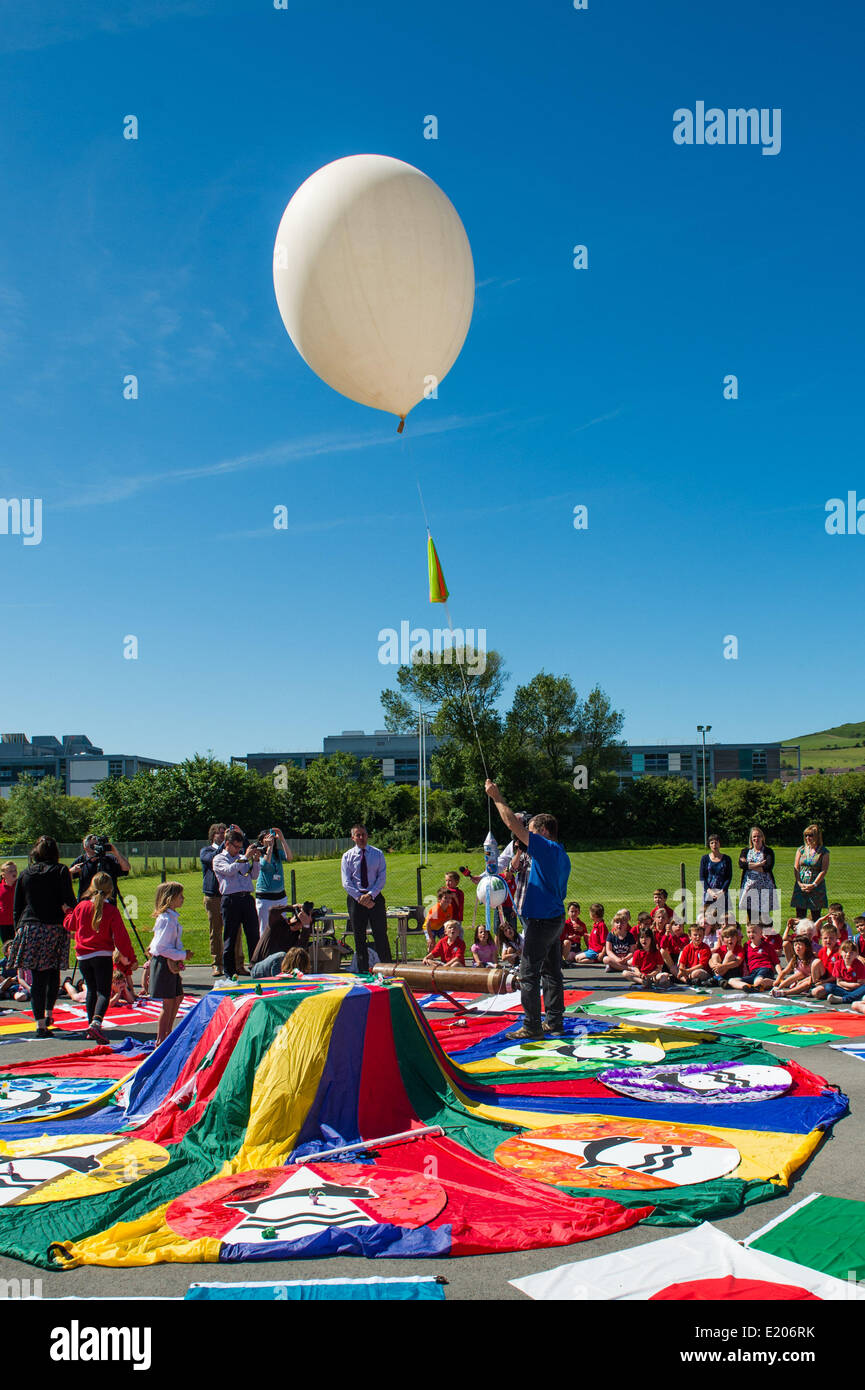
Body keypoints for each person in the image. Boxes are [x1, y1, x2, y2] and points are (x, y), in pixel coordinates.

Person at [485, 780, 571, 1041]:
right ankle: (554, 1022)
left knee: (528, 973)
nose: (526, 834)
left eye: (531, 831)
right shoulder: (560, 853)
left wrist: (496, 796)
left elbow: (513, 824)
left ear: (543, 831)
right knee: (552, 972)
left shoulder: (545, 848)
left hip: (541, 921)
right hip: (555, 918)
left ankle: (531, 1025)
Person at [9, 836, 75, 1038]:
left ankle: (40, 1023)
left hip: (30, 927)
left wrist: (16, 933)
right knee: (52, 972)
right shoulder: (61, 871)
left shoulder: (25, 873)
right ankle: (48, 1013)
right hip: (54, 927)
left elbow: (17, 907)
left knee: (37, 977)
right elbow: (69, 900)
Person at [63, 872, 137, 1041]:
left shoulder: (82, 906)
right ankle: (96, 1023)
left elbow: (70, 924)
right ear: (110, 890)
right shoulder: (110, 910)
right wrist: (130, 957)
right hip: (101, 954)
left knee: (91, 991)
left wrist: (68, 911)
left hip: (83, 956)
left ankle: (91, 1024)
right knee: (103, 991)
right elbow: (121, 937)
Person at [340, 824, 392, 975]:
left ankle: (388, 969)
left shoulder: (378, 854)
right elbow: (346, 881)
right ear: (353, 838)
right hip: (355, 900)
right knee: (359, 937)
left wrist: (370, 895)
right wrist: (360, 898)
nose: (361, 838)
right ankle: (363, 972)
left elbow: (381, 878)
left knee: (380, 934)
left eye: (363, 834)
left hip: (375, 898)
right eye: (358, 835)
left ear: (367, 835)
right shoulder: (347, 856)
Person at [213, 830, 261, 979]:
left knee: (253, 935)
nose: (238, 850)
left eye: (240, 847)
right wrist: (245, 857)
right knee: (230, 937)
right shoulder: (219, 859)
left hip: (246, 898)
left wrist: (256, 861)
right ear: (227, 844)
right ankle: (229, 971)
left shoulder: (242, 858)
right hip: (231, 900)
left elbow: (254, 875)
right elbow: (229, 871)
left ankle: (256, 967)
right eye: (235, 847)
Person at [149, 881, 193, 1045]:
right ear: (170, 898)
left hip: (170, 961)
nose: (183, 898)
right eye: (180, 896)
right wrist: (181, 954)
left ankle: (167, 1033)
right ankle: (161, 1039)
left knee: (178, 997)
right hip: (163, 962)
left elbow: (171, 942)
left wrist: (180, 956)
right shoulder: (166, 919)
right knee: (168, 1002)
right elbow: (161, 946)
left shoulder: (171, 917)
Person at [200, 822, 229, 977]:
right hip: (213, 896)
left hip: (228, 894)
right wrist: (225, 843)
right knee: (215, 931)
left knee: (233, 931)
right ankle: (217, 964)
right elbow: (213, 858)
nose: (223, 835)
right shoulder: (206, 851)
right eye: (220, 832)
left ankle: (237, 963)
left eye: (225, 832)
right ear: (213, 835)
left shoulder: (228, 852)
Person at [254, 827, 293, 936]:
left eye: (272, 838)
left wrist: (282, 838)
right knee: (265, 928)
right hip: (265, 897)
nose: (271, 839)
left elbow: (289, 857)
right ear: (262, 841)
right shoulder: (259, 853)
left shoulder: (278, 854)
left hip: (280, 896)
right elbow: (265, 865)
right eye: (267, 838)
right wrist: (269, 847)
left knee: (281, 927)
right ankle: (264, 951)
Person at [70, 835, 130, 903]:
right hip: (87, 904)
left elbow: (126, 868)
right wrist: (71, 871)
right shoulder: (81, 860)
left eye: (97, 844)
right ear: (85, 847)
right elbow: (66, 877)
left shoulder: (109, 859)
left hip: (108, 904)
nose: (96, 847)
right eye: (92, 845)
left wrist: (115, 851)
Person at [738, 827, 777, 926]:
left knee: (764, 918)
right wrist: (759, 864)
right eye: (754, 836)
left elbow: (768, 867)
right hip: (749, 889)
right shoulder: (745, 851)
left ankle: (765, 938)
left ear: (762, 837)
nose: (756, 838)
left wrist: (749, 865)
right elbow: (741, 865)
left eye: (758, 836)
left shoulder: (768, 851)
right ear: (751, 838)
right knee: (752, 918)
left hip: (764, 888)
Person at [791, 824, 830, 923]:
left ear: (817, 836)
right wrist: (799, 883)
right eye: (806, 835)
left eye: (811, 835)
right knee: (800, 916)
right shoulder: (801, 850)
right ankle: (800, 937)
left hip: (816, 887)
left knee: (816, 916)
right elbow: (796, 867)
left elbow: (823, 870)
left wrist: (814, 885)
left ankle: (815, 937)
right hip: (801, 886)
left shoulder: (823, 852)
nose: (808, 838)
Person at [728, 922, 781, 992]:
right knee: (731, 980)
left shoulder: (767, 946)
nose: (751, 934)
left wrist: (780, 975)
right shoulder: (746, 946)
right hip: (753, 973)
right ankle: (747, 987)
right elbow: (742, 960)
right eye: (748, 932)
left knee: (758, 981)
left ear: (761, 933)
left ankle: (777, 982)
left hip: (765, 969)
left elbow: (776, 963)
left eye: (754, 932)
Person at [699, 835, 734, 925]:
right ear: (709, 845)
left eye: (716, 842)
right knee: (708, 918)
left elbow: (728, 877)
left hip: (722, 892)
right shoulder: (705, 859)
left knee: (723, 919)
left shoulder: (726, 859)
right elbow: (702, 877)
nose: (714, 845)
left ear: (719, 843)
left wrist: (722, 891)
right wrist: (709, 891)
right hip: (709, 893)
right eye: (712, 843)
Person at [772, 930, 816, 997]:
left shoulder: (812, 959)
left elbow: (814, 977)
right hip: (798, 980)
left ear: (806, 947)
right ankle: (778, 988)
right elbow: (784, 972)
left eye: (800, 945)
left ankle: (786, 993)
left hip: (810, 981)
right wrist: (777, 982)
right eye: (795, 945)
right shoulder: (795, 959)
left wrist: (803, 980)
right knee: (799, 974)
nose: (797, 947)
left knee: (802, 976)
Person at [821, 939, 865, 1004]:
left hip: (856, 989)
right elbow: (839, 982)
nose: (848, 954)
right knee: (829, 987)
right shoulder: (838, 964)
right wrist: (850, 985)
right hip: (843, 989)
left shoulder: (859, 965)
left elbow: (860, 984)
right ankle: (853, 997)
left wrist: (850, 986)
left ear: (856, 954)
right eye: (845, 952)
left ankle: (843, 999)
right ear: (841, 952)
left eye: (851, 952)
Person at [810, 923, 842, 998]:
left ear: (836, 938)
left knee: (816, 993)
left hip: (834, 981)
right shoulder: (822, 951)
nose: (828, 940)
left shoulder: (839, 953)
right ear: (821, 938)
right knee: (815, 962)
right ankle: (814, 985)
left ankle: (834, 992)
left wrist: (824, 982)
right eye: (825, 938)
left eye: (831, 938)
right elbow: (818, 968)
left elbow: (838, 975)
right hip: (824, 978)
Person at [710, 923, 745, 987]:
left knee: (730, 954)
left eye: (732, 937)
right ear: (723, 939)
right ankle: (719, 978)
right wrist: (715, 966)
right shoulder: (721, 948)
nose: (730, 939)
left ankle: (717, 978)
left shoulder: (739, 949)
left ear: (737, 938)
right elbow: (710, 960)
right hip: (721, 971)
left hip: (733, 972)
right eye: (727, 937)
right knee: (715, 955)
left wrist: (723, 966)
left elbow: (737, 962)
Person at [0, 862, 17, 944]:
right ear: (3, 875)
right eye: (10, 871)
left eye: (15, 870)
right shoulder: (0, 887)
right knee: (7, 948)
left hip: (18, 922)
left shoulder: (20, 885)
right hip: (3, 923)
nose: (14, 873)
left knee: (19, 947)